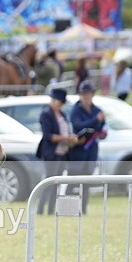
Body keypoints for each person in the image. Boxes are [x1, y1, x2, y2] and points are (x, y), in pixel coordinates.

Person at [35, 88, 79, 216]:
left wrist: (71, 138)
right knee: (48, 182)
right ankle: (40, 209)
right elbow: (49, 136)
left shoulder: (63, 115)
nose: (61, 105)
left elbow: (64, 131)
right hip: (51, 153)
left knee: (57, 183)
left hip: (62, 152)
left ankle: (50, 209)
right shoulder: (46, 114)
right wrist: (67, 138)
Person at [68, 81, 106, 214]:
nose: (85, 96)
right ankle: (68, 209)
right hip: (78, 150)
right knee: (72, 182)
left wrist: (102, 132)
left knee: (87, 182)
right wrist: (96, 120)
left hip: (91, 151)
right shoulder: (76, 110)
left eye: (88, 94)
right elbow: (78, 126)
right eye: (83, 94)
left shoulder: (97, 110)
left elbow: (101, 127)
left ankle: (83, 209)